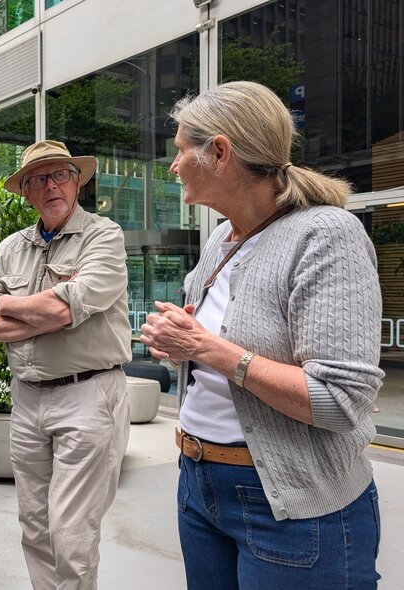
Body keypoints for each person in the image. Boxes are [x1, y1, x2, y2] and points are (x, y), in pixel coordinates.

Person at [139, 81, 384, 589]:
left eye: (182, 150)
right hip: (199, 482)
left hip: (292, 501)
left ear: (220, 152)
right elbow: (210, 358)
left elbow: (340, 400)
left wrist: (205, 346)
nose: (174, 165)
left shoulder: (325, 234)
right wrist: (175, 344)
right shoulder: (219, 242)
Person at [0, 140, 131, 590]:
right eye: (38, 179)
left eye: (60, 174)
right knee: (35, 525)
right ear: (25, 191)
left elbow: (69, 308)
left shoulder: (104, 235)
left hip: (88, 395)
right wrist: (31, 309)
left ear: (77, 181)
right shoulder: (11, 248)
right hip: (27, 399)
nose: (51, 185)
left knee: (71, 532)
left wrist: (13, 305)